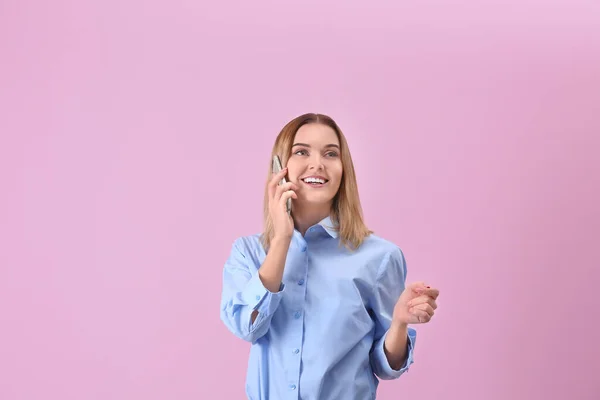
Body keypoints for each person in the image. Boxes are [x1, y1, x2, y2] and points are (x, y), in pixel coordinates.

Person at [220, 113, 440, 400]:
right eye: (301, 151)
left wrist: (399, 323)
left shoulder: (379, 257)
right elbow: (246, 327)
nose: (317, 164)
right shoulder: (248, 252)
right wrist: (282, 239)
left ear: (343, 169)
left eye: (330, 153)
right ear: (279, 168)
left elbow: (386, 366)